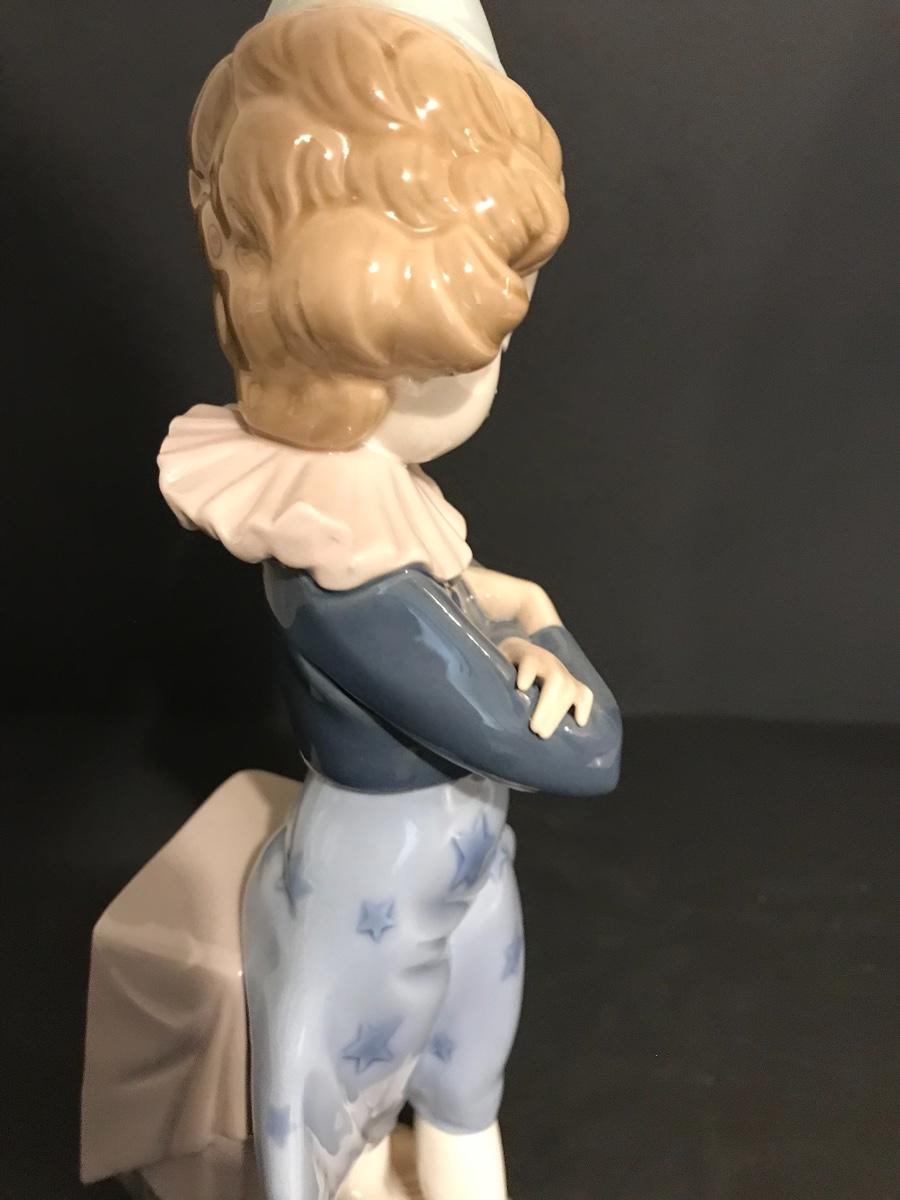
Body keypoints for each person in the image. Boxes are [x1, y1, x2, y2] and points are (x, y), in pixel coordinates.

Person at [159, 4, 621, 1198]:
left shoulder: (388, 512)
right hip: (377, 879)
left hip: (458, 858)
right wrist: (545, 629)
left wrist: (522, 614)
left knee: (465, 1092)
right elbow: (581, 751)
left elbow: (476, 600)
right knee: (348, 1118)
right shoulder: (349, 580)